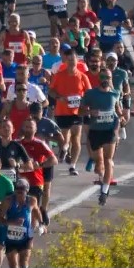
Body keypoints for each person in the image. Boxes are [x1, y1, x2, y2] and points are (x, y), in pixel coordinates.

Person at [47, 47, 92, 178]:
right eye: (69, 59)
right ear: (65, 61)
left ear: (77, 60)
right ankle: (64, 149)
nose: (72, 61)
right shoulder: (59, 75)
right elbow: (51, 90)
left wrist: (84, 103)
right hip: (62, 111)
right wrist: (59, 97)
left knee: (76, 136)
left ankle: (73, 165)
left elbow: (88, 93)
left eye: (74, 59)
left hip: (77, 111)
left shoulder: (82, 76)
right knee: (65, 137)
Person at [82, 67, 124, 205]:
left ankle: (104, 191)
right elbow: (79, 111)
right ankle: (100, 175)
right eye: (103, 77)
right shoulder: (90, 94)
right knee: (98, 161)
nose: (105, 80)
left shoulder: (115, 93)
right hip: (95, 131)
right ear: (99, 79)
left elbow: (118, 111)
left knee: (108, 160)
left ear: (111, 79)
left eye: (108, 78)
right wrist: (89, 112)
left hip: (109, 131)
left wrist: (120, 120)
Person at [0, 177, 43, 268]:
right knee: (13, 264)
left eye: (22, 189)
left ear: (27, 190)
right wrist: (12, 223)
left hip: (26, 237)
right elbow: (0, 219)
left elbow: (37, 211)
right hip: (10, 237)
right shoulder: (8, 201)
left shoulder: (32, 201)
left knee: (24, 261)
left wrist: (41, 224)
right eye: (17, 189)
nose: (19, 192)